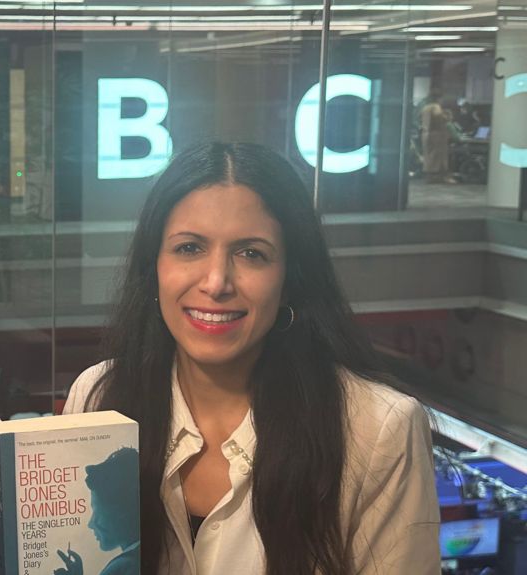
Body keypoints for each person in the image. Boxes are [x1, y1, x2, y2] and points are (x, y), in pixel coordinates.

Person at [63, 142, 439, 575]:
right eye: (189, 248)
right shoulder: (98, 396)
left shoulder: (378, 430)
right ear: (155, 267)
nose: (217, 281)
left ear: (289, 278)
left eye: (251, 253)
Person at [55, 447, 142, 575]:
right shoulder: (138, 556)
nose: (91, 524)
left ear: (121, 514)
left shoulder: (124, 566)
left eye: (97, 510)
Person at [421, 88, 456, 184]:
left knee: (429, 156)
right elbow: (439, 116)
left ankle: (429, 176)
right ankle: (439, 177)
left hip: (426, 134)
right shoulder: (435, 106)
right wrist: (448, 115)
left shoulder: (425, 108)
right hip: (436, 135)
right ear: (438, 98)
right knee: (437, 157)